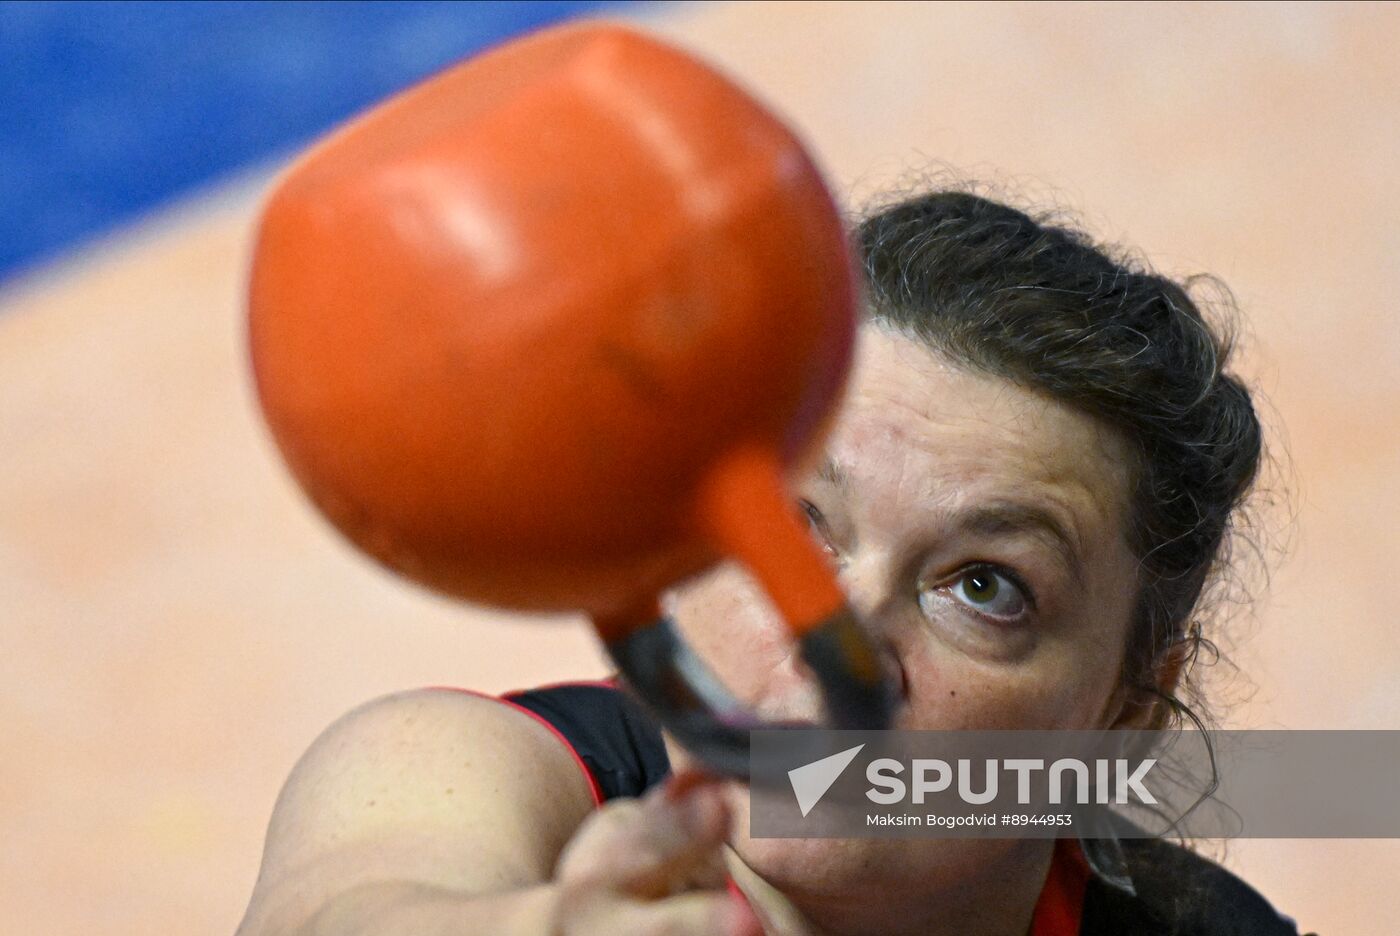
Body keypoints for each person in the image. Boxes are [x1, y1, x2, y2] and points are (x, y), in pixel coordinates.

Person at [236, 187, 1300, 936]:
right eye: (793, 526)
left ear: (1124, 714)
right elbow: (353, 901)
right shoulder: (478, 774)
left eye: (983, 587)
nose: (832, 633)